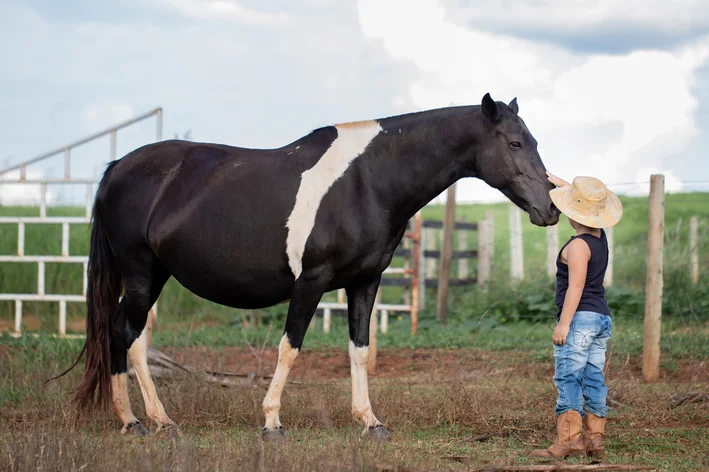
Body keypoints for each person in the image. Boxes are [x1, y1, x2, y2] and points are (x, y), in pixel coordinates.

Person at [533, 172, 623, 460]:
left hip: (580, 319)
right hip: (601, 318)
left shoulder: (576, 247)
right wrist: (562, 183)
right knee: (593, 377)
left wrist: (563, 323)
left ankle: (569, 440)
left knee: (568, 377)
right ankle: (596, 441)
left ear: (573, 215)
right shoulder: (600, 239)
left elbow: (576, 286)